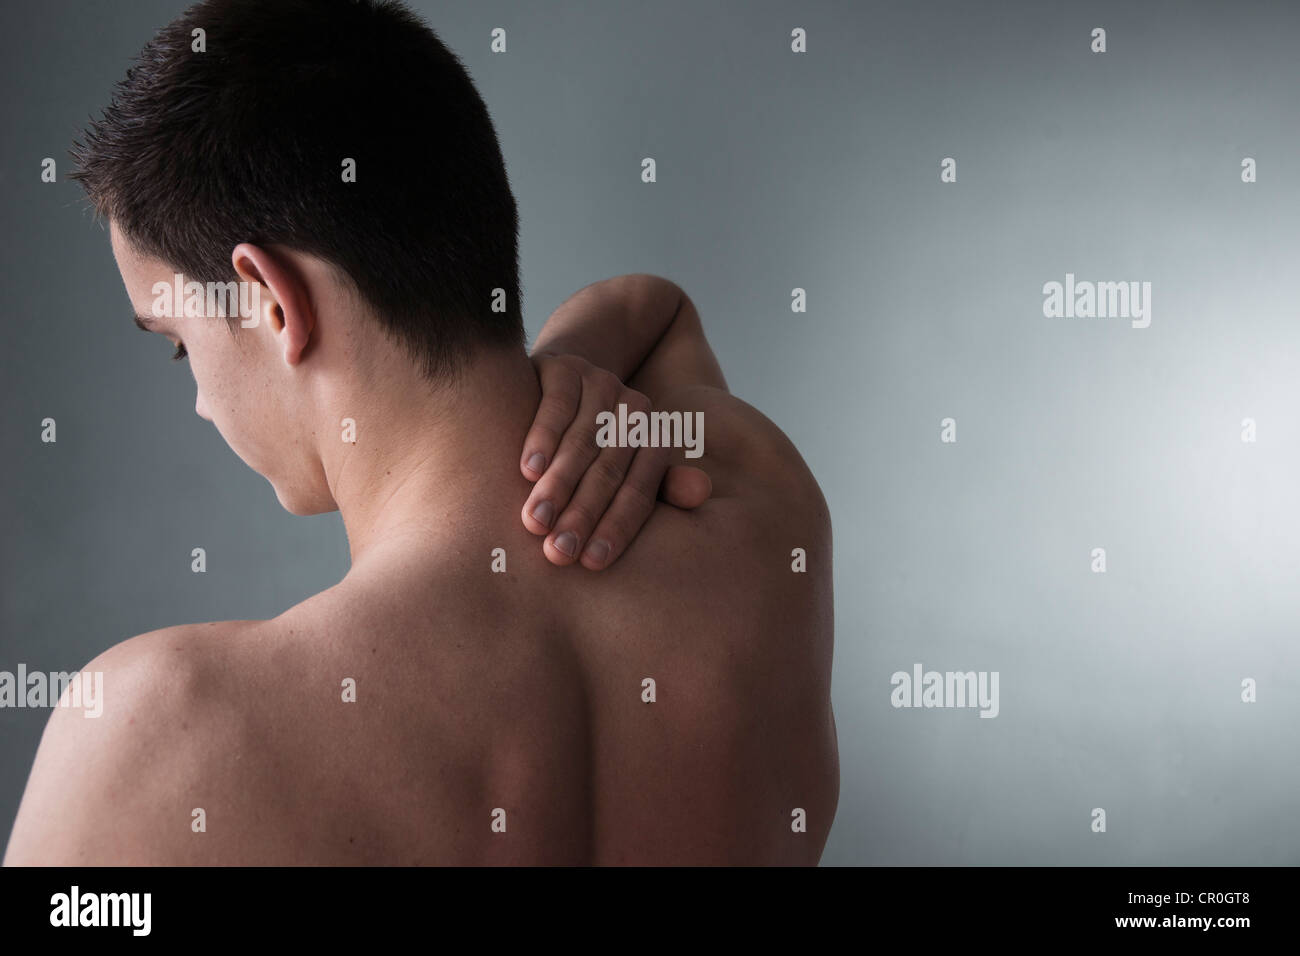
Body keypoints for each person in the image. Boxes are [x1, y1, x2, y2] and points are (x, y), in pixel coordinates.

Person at [3, 0, 837, 865]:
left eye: (180, 345)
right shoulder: (759, 506)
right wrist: (572, 366)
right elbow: (656, 309)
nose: (204, 403)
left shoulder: (163, 728)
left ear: (269, 300)